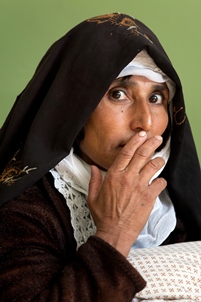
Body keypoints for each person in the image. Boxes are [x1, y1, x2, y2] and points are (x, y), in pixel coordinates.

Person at [0, 12, 201, 301]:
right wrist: (115, 231)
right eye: (119, 94)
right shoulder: (23, 210)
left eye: (156, 98)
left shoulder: (173, 210)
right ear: (73, 109)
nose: (145, 121)